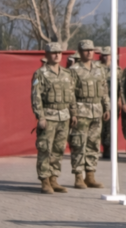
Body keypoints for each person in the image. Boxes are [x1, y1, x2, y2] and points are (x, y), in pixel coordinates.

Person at [32, 43, 76, 193]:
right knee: (45, 148)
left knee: (58, 149)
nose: (57, 55)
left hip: (64, 116)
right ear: (47, 54)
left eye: (59, 52)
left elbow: (71, 95)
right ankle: (44, 179)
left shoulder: (67, 73)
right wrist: (41, 117)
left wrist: (73, 113)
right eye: (53, 52)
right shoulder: (40, 73)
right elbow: (36, 97)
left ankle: (54, 179)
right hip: (49, 116)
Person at [69, 40, 108, 188]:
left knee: (93, 144)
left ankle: (90, 176)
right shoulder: (74, 70)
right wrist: (73, 112)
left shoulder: (99, 68)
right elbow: (70, 93)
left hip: (97, 110)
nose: (89, 52)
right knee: (79, 144)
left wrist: (106, 107)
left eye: (91, 50)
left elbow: (104, 89)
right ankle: (79, 176)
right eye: (86, 50)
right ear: (80, 51)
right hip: (81, 110)